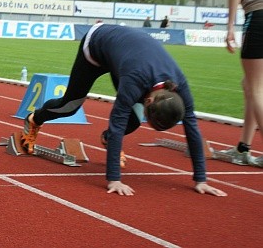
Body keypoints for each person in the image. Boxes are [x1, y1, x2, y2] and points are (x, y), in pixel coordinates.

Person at [20, 23, 227, 197]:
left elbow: (192, 126)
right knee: (70, 106)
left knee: (134, 119)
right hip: (95, 46)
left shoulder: (180, 85)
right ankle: (35, 119)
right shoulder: (135, 80)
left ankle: (108, 139)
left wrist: (201, 179)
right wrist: (114, 179)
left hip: (127, 56)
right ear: (148, 100)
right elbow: (117, 120)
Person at [214, 0, 263, 168]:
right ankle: (243, 148)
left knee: (256, 89)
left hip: (258, 14)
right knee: (249, 85)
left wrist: (230, 26)